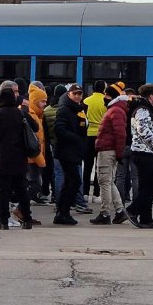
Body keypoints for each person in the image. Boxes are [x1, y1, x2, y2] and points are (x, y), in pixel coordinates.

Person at [0, 84, 37, 230]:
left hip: (0, 158)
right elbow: (35, 127)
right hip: (19, 157)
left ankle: (4, 221)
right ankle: (27, 219)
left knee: (2, 190)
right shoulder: (20, 113)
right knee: (21, 189)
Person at [126, 83, 153, 229]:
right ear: (151, 96)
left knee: (146, 186)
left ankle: (146, 218)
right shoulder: (142, 110)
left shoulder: (149, 109)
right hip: (144, 152)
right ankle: (132, 210)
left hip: (147, 152)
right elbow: (142, 130)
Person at [90, 94, 130, 225]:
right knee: (109, 181)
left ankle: (105, 213)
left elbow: (120, 134)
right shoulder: (119, 111)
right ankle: (119, 211)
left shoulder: (115, 111)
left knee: (104, 182)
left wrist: (120, 153)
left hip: (107, 150)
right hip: (111, 150)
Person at [53, 83, 86, 225]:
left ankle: (62, 212)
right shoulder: (64, 109)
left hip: (73, 151)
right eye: (75, 94)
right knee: (75, 181)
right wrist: (76, 138)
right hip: (67, 151)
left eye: (80, 93)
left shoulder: (77, 109)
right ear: (68, 94)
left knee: (69, 182)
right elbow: (59, 129)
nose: (78, 96)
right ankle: (63, 211)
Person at [82, 80, 107, 202]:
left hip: (88, 135)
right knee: (99, 166)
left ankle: (85, 193)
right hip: (101, 136)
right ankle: (97, 194)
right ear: (104, 89)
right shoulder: (105, 101)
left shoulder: (86, 101)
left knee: (87, 166)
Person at [26, 83, 48, 209]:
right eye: (42, 102)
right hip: (32, 156)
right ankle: (23, 209)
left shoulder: (39, 115)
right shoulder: (31, 115)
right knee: (32, 181)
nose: (45, 104)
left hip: (36, 155)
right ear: (34, 101)